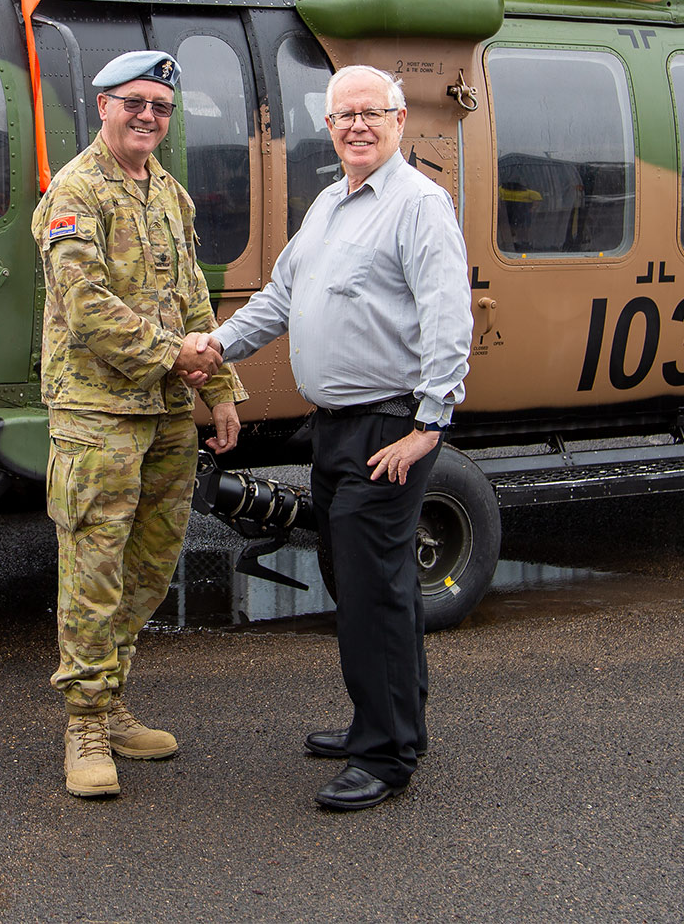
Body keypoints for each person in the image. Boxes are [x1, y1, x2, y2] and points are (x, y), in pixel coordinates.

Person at [194, 64, 471, 811]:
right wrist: (218, 345)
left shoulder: (420, 205)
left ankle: (384, 757)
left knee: (371, 591)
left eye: (370, 113)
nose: (355, 125)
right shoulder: (328, 204)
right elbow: (282, 296)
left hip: (389, 427)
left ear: (399, 119)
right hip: (336, 428)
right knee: (365, 583)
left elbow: (449, 317)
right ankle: (390, 723)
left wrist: (429, 426)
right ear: (330, 126)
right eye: (343, 114)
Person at [31, 49, 247, 799]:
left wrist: (219, 386)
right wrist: (173, 355)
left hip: (164, 413)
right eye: (134, 102)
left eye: (160, 105)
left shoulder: (171, 196)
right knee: (92, 566)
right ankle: (84, 722)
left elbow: (194, 298)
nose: (148, 115)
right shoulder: (76, 191)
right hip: (97, 412)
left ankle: (114, 696)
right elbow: (85, 306)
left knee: (151, 564)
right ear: (103, 105)